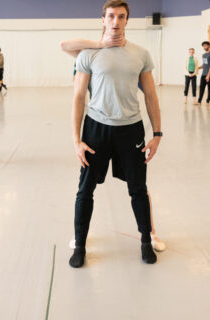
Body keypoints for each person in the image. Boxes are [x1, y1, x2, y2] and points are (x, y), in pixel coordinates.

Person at [69, 0, 163, 268]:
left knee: (138, 189)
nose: (116, 21)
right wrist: (77, 140)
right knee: (85, 190)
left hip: (130, 129)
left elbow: (151, 96)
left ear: (127, 20)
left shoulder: (141, 54)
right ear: (103, 19)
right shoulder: (88, 54)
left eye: (121, 16)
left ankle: (146, 240)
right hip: (96, 129)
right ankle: (80, 245)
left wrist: (157, 133)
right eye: (111, 16)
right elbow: (78, 97)